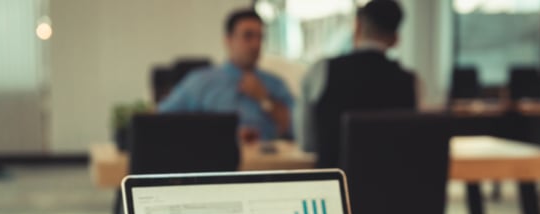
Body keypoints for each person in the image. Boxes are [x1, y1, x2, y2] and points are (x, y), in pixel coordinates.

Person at [297, 0, 417, 168]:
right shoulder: (410, 82)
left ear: (357, 27)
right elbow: (411, 145)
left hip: (334, 189)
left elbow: (307, 143)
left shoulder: (322, 70)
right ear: (395, 39)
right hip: (391, 189)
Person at [158, 8, 293, 142]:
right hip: (215, 159)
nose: (256, 44)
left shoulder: (275, 84)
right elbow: (161, 121)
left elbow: (299, 128)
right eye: (248, 36)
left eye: (260, 37)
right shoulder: (200, 82)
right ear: (228, 40)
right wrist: (223, 134)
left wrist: (265, 99)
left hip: (270, 161)